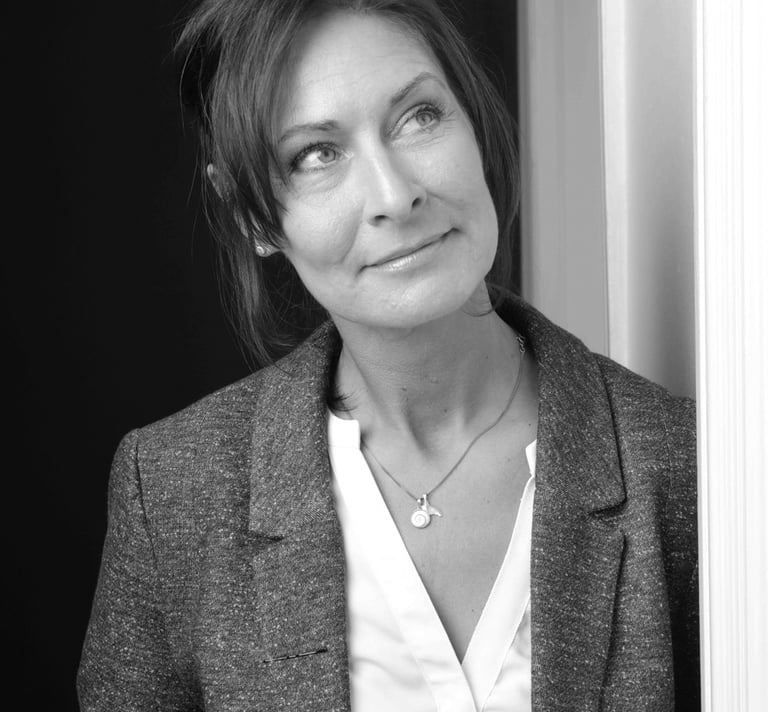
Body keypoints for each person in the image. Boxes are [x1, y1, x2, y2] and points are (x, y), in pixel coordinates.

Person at [77, 1, 699, 710]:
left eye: (420, 116)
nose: (396, 195)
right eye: (317, 154)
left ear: (473, 119)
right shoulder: (171, 491)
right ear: (247, 214)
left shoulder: (683, 468)